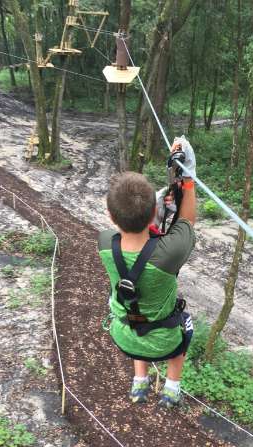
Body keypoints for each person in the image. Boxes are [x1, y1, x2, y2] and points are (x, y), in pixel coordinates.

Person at [98, 136, 196, 409]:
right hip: (165, 343)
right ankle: (172, 389)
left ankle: (140, 381)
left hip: (124, 334)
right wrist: (187, 178)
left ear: (110, 215)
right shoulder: (169, 252)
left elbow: (137, 228)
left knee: (136, 314)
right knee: (185, 326)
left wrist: (154, 208)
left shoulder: (105, 243)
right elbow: (187, 221)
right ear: (154, 210)